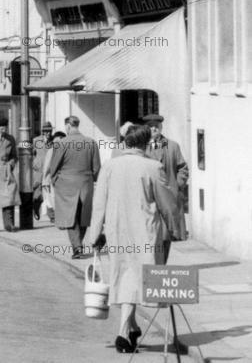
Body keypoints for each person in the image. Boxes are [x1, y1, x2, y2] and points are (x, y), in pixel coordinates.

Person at [87, 124, 178, 354]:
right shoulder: (152, 167)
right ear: (145, 143)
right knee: (137, 280)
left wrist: (95, 233)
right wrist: (175, 228)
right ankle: (123, 332)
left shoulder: (109, 166)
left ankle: (130, 328)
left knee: (127, 278)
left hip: (117, 231)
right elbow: (167, 203)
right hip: (145, 232)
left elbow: (99, 204)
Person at [48, 116, 101, 259]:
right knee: (83, 216)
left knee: (69, 216)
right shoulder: (91, 143)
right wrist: (92, 180)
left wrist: (54, 180)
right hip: (85, 183)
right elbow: (96, 168)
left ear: (68, 126)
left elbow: (54, 166)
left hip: (66, 184)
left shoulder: (62, 143)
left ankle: (77, 247)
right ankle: (78, 244)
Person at [143, 114, 189, 255]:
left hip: (167, 199)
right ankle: (151, 269)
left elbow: (183, 168)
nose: (154, 129)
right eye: (151, 126)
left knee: (165, 236)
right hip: (148, 199)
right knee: (148, 235)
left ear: (161, 127)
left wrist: (177, 185)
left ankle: (160, 269)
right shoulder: (141, 147)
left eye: (156, 126)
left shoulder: (172, 146)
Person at [40, 131, 66, 223]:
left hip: (56, 179)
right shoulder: (53, 150)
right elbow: (47, 167)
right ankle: (53, 216)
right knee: (50, 198)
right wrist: (44, 180)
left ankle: (54, 216)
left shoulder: (59, 149)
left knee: (51, 198)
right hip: (51, 179)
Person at [32, 122, 54, 219]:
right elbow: (30, 154)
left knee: (48, 194)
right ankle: (36, 208)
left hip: (49, 172)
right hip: (38, 172)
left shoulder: (54, 142)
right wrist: (34, 163)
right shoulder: (36, 141)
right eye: (46, 131)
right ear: (43, 132)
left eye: (50, 131)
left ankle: (52, 216)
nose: (48, 133)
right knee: (38, 195)